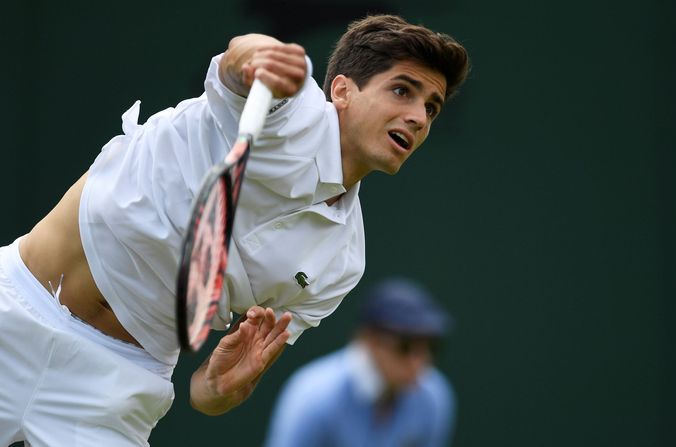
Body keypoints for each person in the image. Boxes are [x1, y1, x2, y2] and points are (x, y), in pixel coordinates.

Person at [0, 14, 468, 445]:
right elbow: (241, 56)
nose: (419, 116)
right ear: (341, 90)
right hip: (16, 312)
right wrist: (258, 56)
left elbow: (206, 393)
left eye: (432, 107)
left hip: (116, 388)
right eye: (402, 91)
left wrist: (222, 387)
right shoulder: (288, 106)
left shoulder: (343, 261)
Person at [264, 277, 457, 447]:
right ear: (369, 340)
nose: (419, 361)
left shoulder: (434, 397)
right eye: (404, 347)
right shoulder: (313, 397)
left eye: (430, 347)